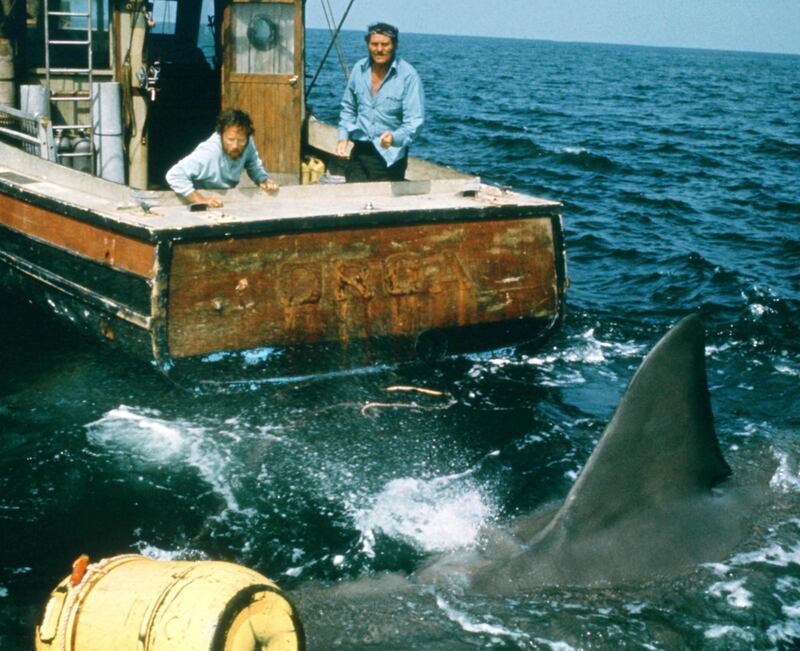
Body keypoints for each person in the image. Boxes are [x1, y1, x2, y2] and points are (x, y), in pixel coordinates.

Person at [336, 22, 424, 182]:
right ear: (367, 45)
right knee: (354, 200)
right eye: (374, 44)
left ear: (396, 45)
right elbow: (348, 108)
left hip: (389, 156)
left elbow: (414, 123)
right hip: (360, 151)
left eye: (385, 44)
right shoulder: (358, 69)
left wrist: (394, 137)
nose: (379, 49)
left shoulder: (408, 76)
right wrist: (343, 137)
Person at [166, 108, 279, 207]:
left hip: (225, 198)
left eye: (241, 141)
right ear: (221, 135)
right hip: (202, 199)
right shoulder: (209, 152)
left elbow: (252, 164)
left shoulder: (248, 142)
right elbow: (174, 175)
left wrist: (263, 180)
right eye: (230, 139)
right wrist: (200, 200)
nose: (235, 146)